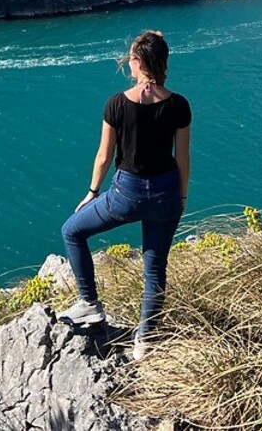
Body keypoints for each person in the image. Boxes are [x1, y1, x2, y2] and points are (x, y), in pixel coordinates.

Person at [60, 30, 191, 360]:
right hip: (166, 194)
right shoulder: (178, 105)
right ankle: (145, 341)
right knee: (155, 268)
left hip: (125, 195)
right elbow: (183, 159)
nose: (129, 63)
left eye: (132, 58)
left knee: (72, 231)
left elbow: (104, 156)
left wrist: (92, 192)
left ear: (139, 62)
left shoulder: (117, 103)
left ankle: (89, 303)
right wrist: (182, 198)